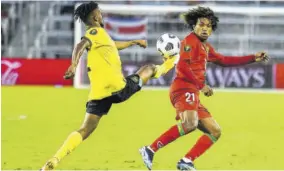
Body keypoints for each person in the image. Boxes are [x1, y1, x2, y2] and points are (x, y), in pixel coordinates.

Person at [139, 6, 269, 171]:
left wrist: (253, 58)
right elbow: (183, 67)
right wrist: (202, 86)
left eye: (209, 26)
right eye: (202, 24)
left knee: (214, 131)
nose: (205, 28)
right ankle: (150, 149)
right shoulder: (188, 42)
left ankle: (186, 161)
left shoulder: (205, 47)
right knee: (190, 124)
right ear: (194, 25)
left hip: (192, 91)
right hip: (183, 88)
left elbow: (224, 60)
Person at [41, 2, 156, 170]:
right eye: (99, 13)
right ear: (95, 17)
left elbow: (113, 44)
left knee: (84, 130)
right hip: (118, 89)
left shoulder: (102, 37)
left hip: (98, 94)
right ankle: (169, 64)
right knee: (150, 68)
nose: (101, 15)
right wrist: (74, 65)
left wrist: (134, 41)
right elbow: (80, 45)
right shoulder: (95, 32)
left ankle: (54, 160)